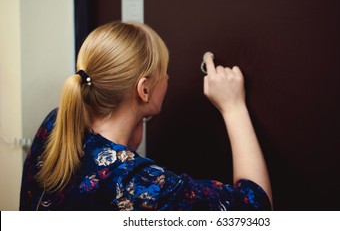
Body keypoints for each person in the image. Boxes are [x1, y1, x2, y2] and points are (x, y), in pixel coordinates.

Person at [19, 21, 272, 210]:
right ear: (144, 89)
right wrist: (234, 108)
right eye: (164, 70)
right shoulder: (139, 184)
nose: (168, 77)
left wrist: (133, 125)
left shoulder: (57, 123)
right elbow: (256, 210)